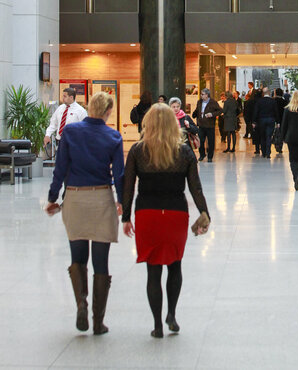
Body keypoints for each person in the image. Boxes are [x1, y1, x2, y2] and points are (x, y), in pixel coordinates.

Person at [122, 104, 210, 338]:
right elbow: (195, 187)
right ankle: (171, 314)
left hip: (147, 215)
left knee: (153, 270)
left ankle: (157, 325)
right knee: (175, 265)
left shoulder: (138, 151)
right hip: (175, 214)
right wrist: (205, 213)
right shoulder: (184, 152)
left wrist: (125, 217)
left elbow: (128, 186)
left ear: (147, 123)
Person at [45, 91, 124, 335]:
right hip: (101, 198)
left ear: (89, 108)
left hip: (75, 198)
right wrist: (122, 202)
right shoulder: (113, 136)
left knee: (78, 257)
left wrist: (52, 197)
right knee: (101, 262)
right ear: (108, 111)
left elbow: (61, 169)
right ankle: (98, 321)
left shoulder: (70, 132)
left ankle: (81, 303)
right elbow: (119, 175)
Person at [193, 88, 221, 163]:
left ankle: (210, 156)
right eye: (201, 94)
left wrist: (212, 114)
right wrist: (194, 114)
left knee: (211, 142)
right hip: (201, 125)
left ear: (207, 95)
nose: (201, 96)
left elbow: (220, 110)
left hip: (210, 125)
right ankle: (202, 155)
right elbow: (197, 110)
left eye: (202, 94)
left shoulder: (213, 102)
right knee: (200, 141)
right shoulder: (199, 102)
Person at [253, 87, 279, 158]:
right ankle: (268, 153)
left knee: (262, 136)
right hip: (271, 120)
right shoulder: (273, 101)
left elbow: (256, 112)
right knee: (268, 136)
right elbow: (276, 112)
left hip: (261, 120)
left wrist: (254, 121)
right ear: (269, 93)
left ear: (263, 93)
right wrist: (278, 122)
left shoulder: (259, 101)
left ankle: (263, 152)